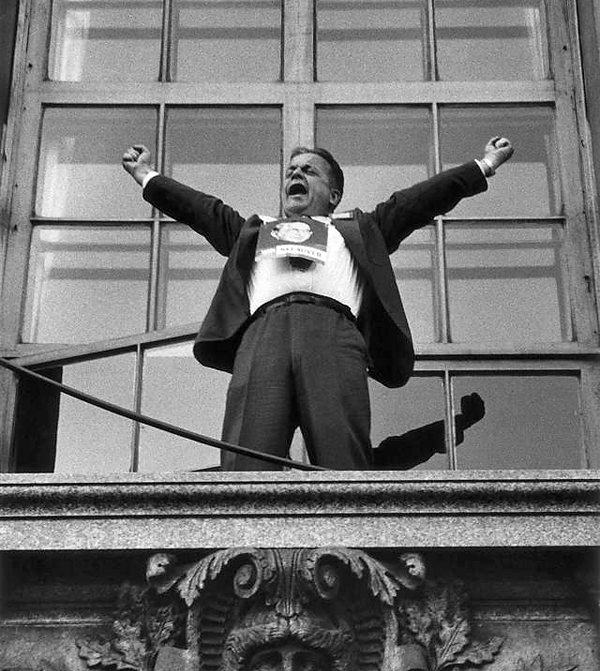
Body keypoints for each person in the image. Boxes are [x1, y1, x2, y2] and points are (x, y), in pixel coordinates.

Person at [122, 137, 513, 470]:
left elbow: (422, 200)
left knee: (339, 447)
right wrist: (146, 174)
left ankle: (349, 538)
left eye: (309, 171)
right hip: (264, 335)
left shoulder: (360, 228)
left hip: (333, 333)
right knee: (246, 457)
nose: (295, 175)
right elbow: (200, 208)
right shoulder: (254, 231)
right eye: (292, 170)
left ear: (334, 194)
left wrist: (485, 165)